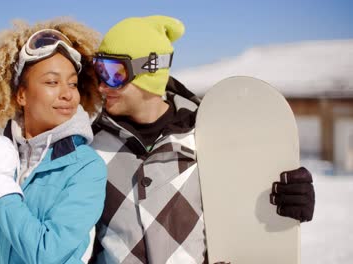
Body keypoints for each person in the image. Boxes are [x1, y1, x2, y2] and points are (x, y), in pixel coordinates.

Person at [89, 15, 315, 263]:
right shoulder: (92, 146)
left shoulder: (207, 136)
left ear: (149, 70)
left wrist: (288, 198)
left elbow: (244, 207)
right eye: (98, 71)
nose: (101, 86)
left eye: (113, 73)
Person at [0, 18, 107, 264]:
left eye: (72, 83)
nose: (67, 93)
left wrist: (3, 189)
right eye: (52, 82)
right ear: (22, 95)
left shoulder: (86, 167)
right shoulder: (3, 158)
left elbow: (48, 253)